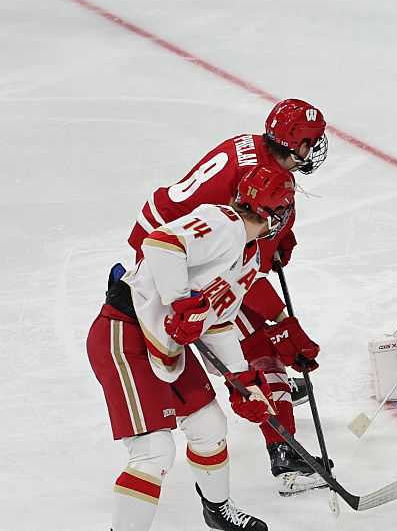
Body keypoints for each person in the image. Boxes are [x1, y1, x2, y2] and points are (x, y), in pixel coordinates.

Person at [126, 98, 329, 494]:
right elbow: (238, 275)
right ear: (293, 142)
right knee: (258, 343)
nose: (314, 150)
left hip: (179, 244)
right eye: (310, 141)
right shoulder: (259, 179)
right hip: (177, 258)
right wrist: (281, 323)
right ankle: (285, 456)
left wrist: (280, 236)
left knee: (256, 333)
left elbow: (249, 230)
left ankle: (272, 392)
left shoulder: (257, 150)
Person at [86, 166, 306, 531]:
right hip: (123, 335)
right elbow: (161, 243)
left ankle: (217, 510)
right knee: (154, 452)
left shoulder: (248, 257)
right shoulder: (222, 222)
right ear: (275, 214)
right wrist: (180, 302)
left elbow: (216, 321)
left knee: (209, 425)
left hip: (165, 342)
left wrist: (243, 380)